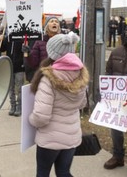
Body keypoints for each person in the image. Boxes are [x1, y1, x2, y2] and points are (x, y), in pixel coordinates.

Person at [29, 32, 89, 177]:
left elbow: (41, 116)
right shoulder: (81, 74)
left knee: (43, 173)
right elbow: (82, 104)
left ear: (52, 53)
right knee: (64, 172)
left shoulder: (48, 78)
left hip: (50, 139)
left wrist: (30, 119)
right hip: (72, 137)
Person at [103, 23, 127, 177]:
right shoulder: (116, 51)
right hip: (117, 100)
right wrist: (103, 91)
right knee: (115, 129)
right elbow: (108, 73)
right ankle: (118, 156)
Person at [22, 16, 61, 82]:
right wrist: (28, 53)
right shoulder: (39, 42)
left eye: (56, 22)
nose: (54, 23)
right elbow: (33, 63)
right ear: (46, 26)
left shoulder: (63, 41)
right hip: (44, 79)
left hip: (59, 78)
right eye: (52, 21)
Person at [0, 33, 24, 116]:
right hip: (10, 65)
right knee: (11, 87)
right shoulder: (8, 37)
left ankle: (19, 106)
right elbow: (2, 49)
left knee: (20, 87)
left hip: (20, 66)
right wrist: (2, 40)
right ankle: (12, 105)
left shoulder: (23, 37)